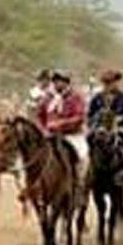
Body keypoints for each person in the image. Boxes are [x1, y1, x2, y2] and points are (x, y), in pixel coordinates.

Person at [40, 70, 89, 202]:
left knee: (83, 158)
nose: (57, 84)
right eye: (55, 81)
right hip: (50, 135)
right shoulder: (48, 98)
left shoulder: (76, 98)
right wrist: (43, 128)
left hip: (72, 136)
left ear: (66, 83)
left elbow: (79, 117)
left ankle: (79, 185)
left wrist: (60, 124)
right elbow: (41, 115)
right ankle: (34, 186)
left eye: (60, 81)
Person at [87, 68, 123, 181]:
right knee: (88, 138)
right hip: (100, 126)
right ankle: (89, 168)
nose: (108, 85)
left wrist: (120, 119)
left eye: (111, 82)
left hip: (120, 126)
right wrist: (95, 121)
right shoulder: (97, 98)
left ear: (117, 82)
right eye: (106, 83)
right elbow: (90, 114)